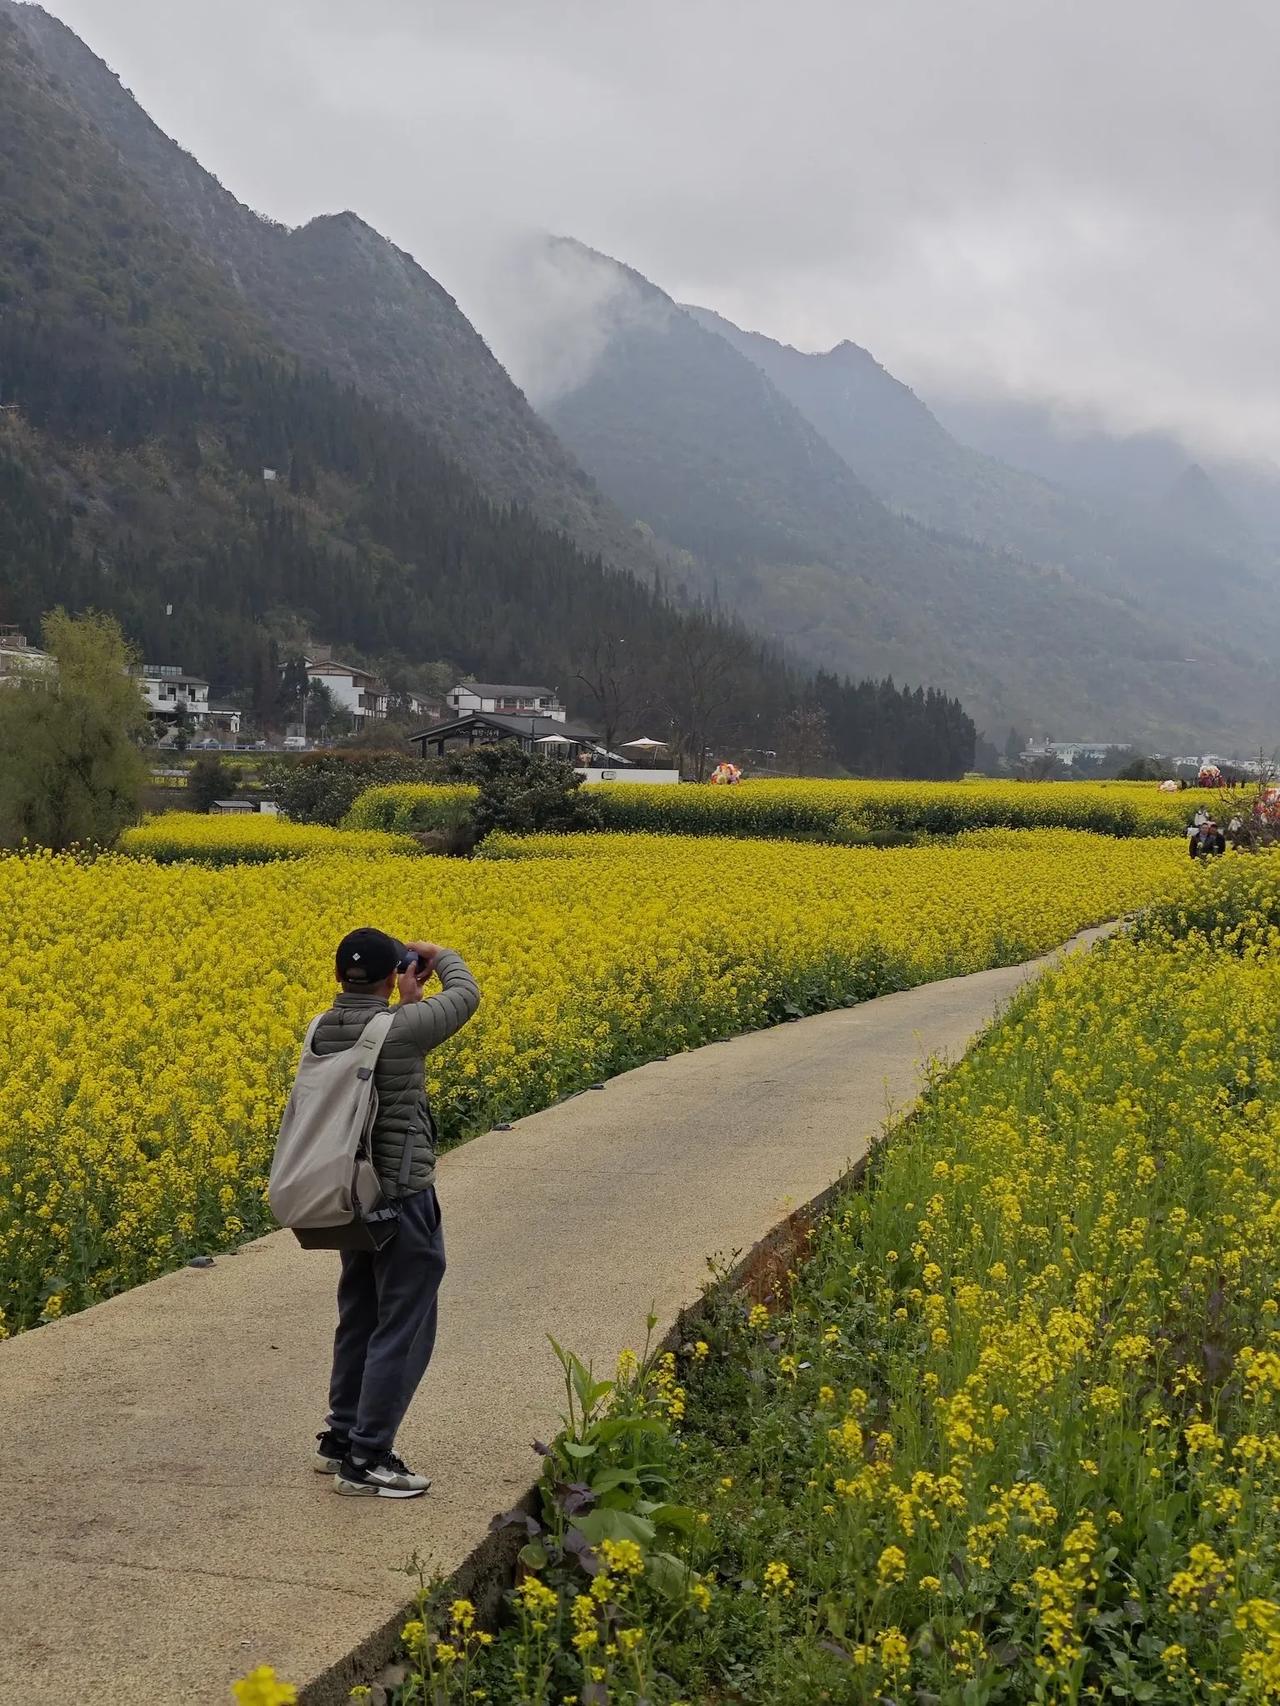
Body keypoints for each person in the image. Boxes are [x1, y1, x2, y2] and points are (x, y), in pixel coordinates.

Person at [311, 926, 480, 1498]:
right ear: (393, 976)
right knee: (403, 1326)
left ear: (339, 977)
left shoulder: (321, 1029)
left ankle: (339, 1439)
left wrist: (402, 1001)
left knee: (359, 1313)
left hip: (347, 1201)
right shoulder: (402, 1030)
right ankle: (369, 1458)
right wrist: (441, 956)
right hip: (402, 1198)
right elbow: (465, 996)